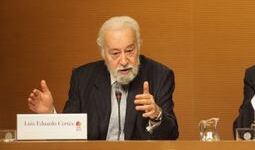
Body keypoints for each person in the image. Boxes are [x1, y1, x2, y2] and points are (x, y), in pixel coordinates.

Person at [27, 16, 179, 140]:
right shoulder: (83, 78)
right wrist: (49, 114)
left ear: (138, 46)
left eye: (130, 51)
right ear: (103, 53)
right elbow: (70, 134)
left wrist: (157, 115)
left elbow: (172, 135)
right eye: (115, 53)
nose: (124, 61)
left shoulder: (160, 75)